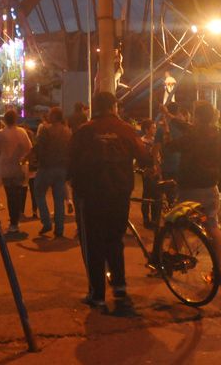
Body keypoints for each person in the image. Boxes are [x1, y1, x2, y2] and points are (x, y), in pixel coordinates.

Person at [69, 92, 151, 308]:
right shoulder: (126, 129)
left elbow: (71, 162)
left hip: (91, 196)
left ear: (94, 107)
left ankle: (97, 294)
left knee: (93, 243)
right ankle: (119, 286)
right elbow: (144, 157)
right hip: (119, 194)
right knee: (115, 239)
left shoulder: (85, 131)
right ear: (114, 107)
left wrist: (75, 184)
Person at [169, 101, 221, 284]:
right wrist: (172, 118)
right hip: (210, 186)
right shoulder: (218, 133)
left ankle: (169, 264)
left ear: (197, 116)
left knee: (178, 224)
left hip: (190, 188)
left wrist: (165, 139)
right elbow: (186, 126)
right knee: (212, 227)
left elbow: (172, 146)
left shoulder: (193, 135)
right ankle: (217, 273)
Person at [0, 109, 33, 233]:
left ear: (5, 120)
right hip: (19, 167)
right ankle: (16, 219)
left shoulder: (0, 133)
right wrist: (24, 159)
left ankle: (13, 222)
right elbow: (30, 149)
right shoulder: (22, 132)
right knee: (18, 194)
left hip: (5, 168)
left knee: (10, 195)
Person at [33, 106, 71, 237]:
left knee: (38, 192)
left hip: (47, 167)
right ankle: (59, 228)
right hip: (62, 168)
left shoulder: (46, 129)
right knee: (59, 199)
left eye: (50, 114)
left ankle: (46, 221)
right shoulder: (67, 131)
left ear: (54, 116)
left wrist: (31, 158)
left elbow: (39, 146)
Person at [138, 119, 162, 229]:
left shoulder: (155, 141)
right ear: (146, 130)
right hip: (148, 172)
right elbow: (145, 158)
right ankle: (146, 220)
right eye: (153, 127)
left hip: (157, 171)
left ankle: (154, 219)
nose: (155, 129)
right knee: (147, 195)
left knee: (156, 195)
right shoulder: (142, 142)